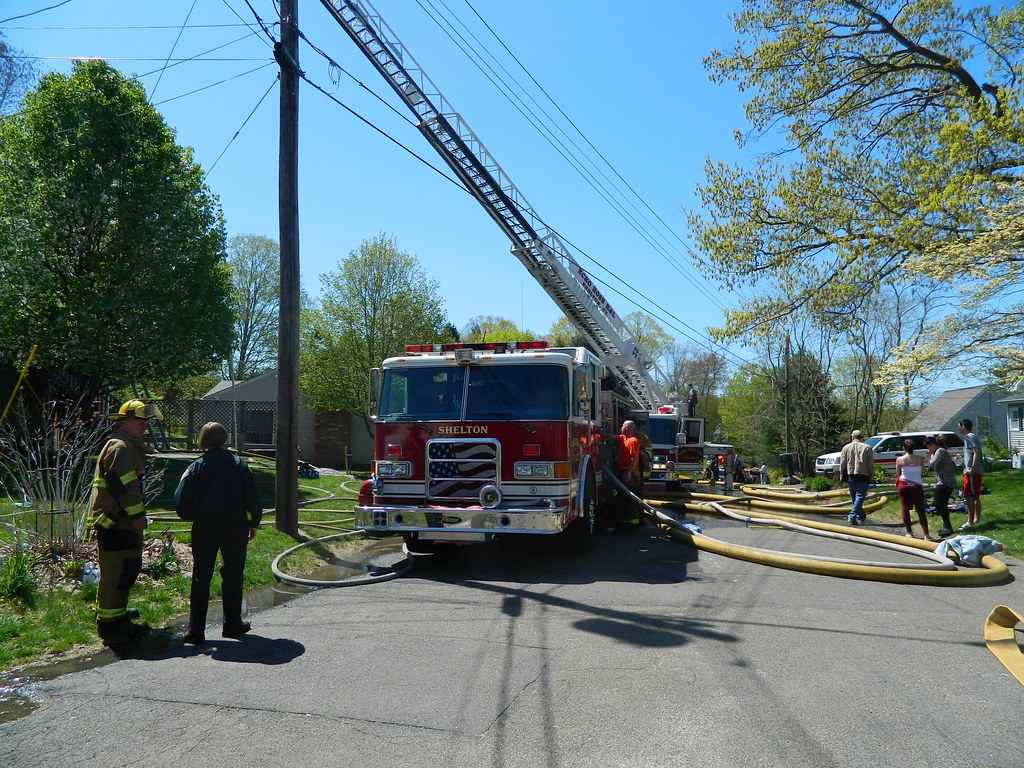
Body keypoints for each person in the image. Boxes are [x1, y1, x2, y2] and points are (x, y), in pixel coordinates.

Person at [174, 422, 263, 644]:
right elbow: (252, 495)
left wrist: (190, 514)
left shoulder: (196, 466)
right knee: (233, 573)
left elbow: (180, 498)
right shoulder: (238, 464)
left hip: (204, 526)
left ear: (203, 439)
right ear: (224, 438)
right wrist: (253, 521)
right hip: (235, 526)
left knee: (200, 575)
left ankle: (196, 631)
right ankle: (232, 624)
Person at [86, 399, 162, 645]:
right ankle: (110, 624)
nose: (144, 426)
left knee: (124, 569)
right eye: (140, 422)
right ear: (125, 422)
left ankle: (115, 614)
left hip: (120, 519)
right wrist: (137, 515)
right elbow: (125, 486)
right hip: (117, 521)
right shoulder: (120, 447)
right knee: (117, 571)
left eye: (146, 422)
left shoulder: (127, 445)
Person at [895, 439, 931, 539]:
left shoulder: (900, 460)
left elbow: (898, 473)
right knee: (920, 509)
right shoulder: (920, 459)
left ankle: (909, 532)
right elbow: (923, 471)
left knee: (905, 508)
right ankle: (926, 534)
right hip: (917, 486)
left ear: (903, 448)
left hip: (904, 485)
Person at [924, 434, 957, 537]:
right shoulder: (937, 452)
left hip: (946, 482)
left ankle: (948, 528)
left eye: (929, 446)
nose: (928, 449)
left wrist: (929, 456)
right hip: (942, 482)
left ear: (933, 444)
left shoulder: (940, 451)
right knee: (940, 504)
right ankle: (946, 526)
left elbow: (931, 465)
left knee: (940, 504)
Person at [839, 429, 874, 525]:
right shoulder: (867, 448)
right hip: (863, 474)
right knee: (859, 497)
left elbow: (842, 464)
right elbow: (870, 464)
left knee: (855, 497)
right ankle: (855, 516)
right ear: (861, 437)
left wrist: (841, 476)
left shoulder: (846, 448)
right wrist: (871, 475)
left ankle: (858, 516)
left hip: (850, 475)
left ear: (852, 437)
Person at [614, 420, 642, 527]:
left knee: (631, 497)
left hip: (631, 473)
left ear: (626, 428)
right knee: (624, 496)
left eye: (622, 426)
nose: (620, 428)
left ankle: (634, 520)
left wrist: (629, 473)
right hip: (624, 471)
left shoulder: (633, 441)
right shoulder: (623, 438)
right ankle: (626, 518)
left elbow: (634, 459)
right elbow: (613, 437)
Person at [957, 418, 984, 531]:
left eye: (959, 426)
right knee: (975, 496)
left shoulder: (969, 437)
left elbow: (976, 452)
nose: (958, 428)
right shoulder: (973, 436)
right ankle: (977, 519)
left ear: (963, 426)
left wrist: (972, 469)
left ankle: (970, 521)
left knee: (969, 496)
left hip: (972, 471)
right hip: (976, 470)